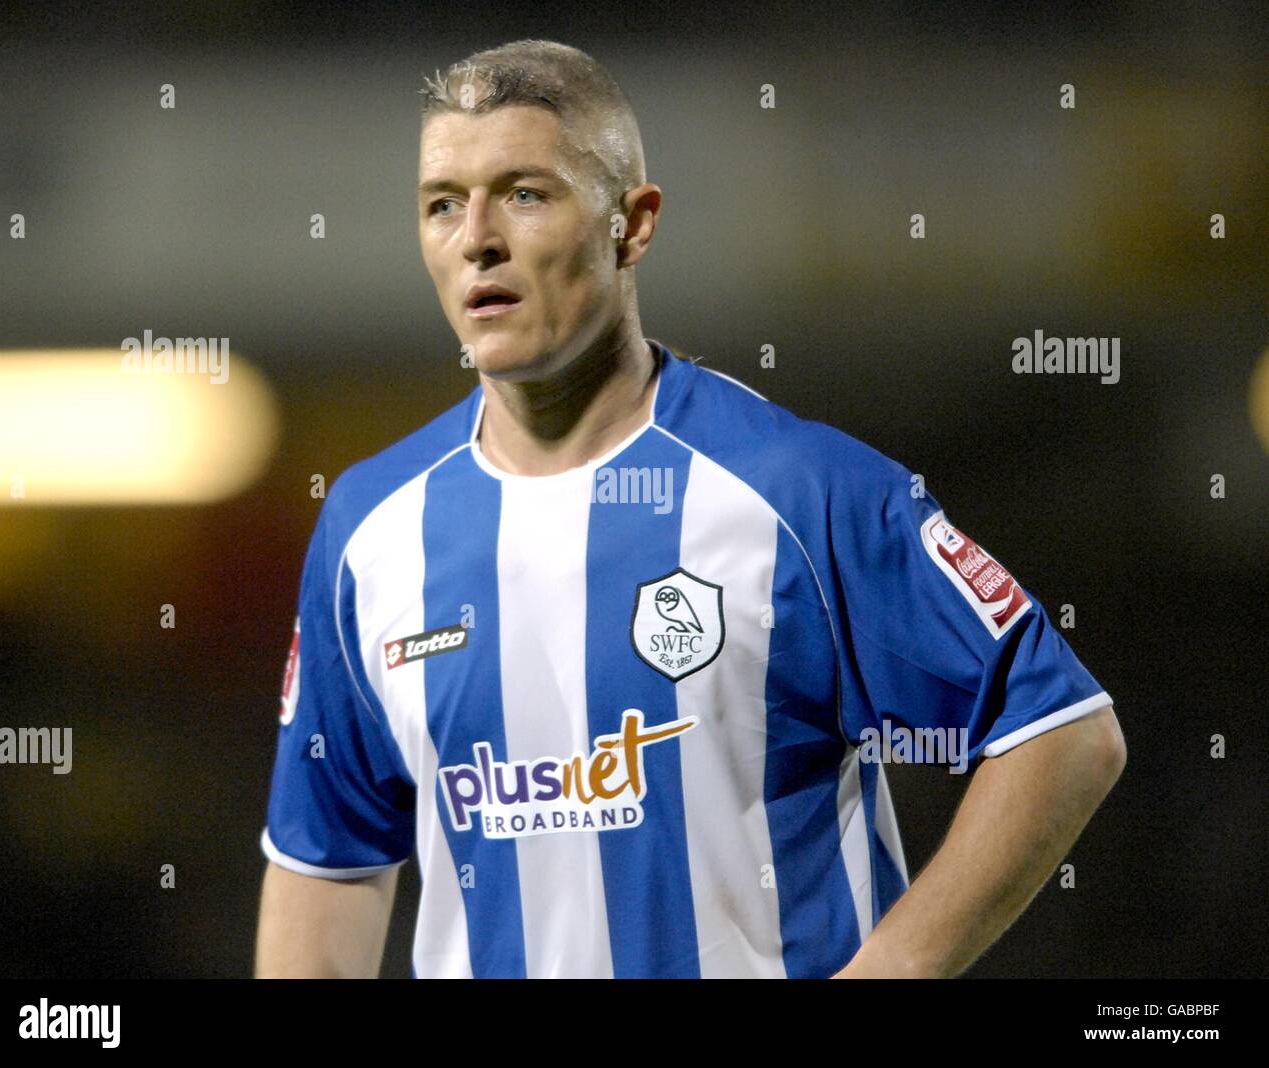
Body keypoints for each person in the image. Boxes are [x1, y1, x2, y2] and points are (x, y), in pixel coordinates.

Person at [254, 39, 1125, 979]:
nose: (477, 239)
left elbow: (1064, 733)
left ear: (632, 223)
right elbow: (329, 862)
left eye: (524, 193)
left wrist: (893, 970)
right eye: (441, 205)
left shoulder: (799, 491)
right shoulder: (370, 530)